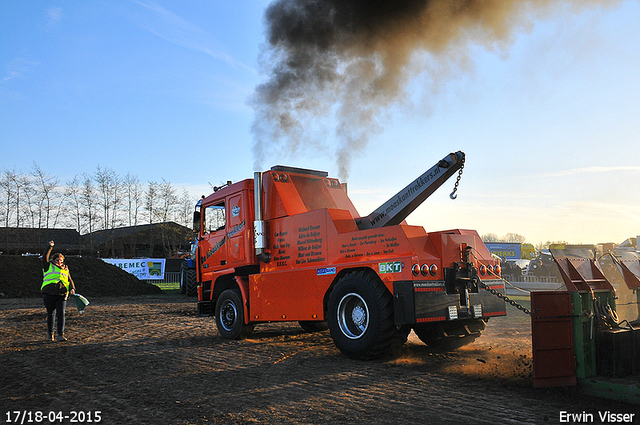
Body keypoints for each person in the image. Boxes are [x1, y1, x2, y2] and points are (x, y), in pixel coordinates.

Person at [41, 240, 76, 342]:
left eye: (61, 260)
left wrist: (72, 288)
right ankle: (50, 335)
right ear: (53, 260)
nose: (59, 262)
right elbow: (44, 257)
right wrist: (50, 247)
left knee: (61, 314)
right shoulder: (48, 266)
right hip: (48, 293)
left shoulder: (65, 269)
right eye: (57, 260)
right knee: (51, 314)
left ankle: (60, 334)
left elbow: (69, 279)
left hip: (62, 294)